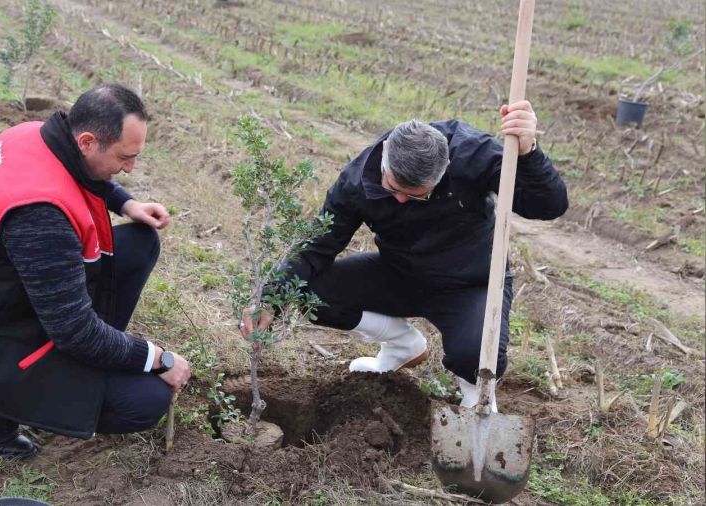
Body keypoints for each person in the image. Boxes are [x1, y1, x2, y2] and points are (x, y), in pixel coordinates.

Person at [241, 101, 567, 411]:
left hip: (471, 283)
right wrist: (269, 297)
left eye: (415, 196)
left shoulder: (472, 153)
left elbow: (549, 205)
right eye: (392, 186)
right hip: (399, 275)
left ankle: (477, 400)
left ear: (446, 169)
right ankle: (402, 345)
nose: (398, 200)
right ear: (385, 155)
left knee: (477, 357)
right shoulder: (356, 181)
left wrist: (528, 153)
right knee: (307, 292)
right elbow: (316, 247)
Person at [0, 84, 191, 459]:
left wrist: (125, 202)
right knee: (146, 399)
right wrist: (156, 357)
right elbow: (74, 331)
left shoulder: (28, 135)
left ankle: (96, 354)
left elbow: (75, 172)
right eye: (125, 157)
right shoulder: (39, 217)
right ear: (86, 141)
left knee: (139, 243)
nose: (130, 167)